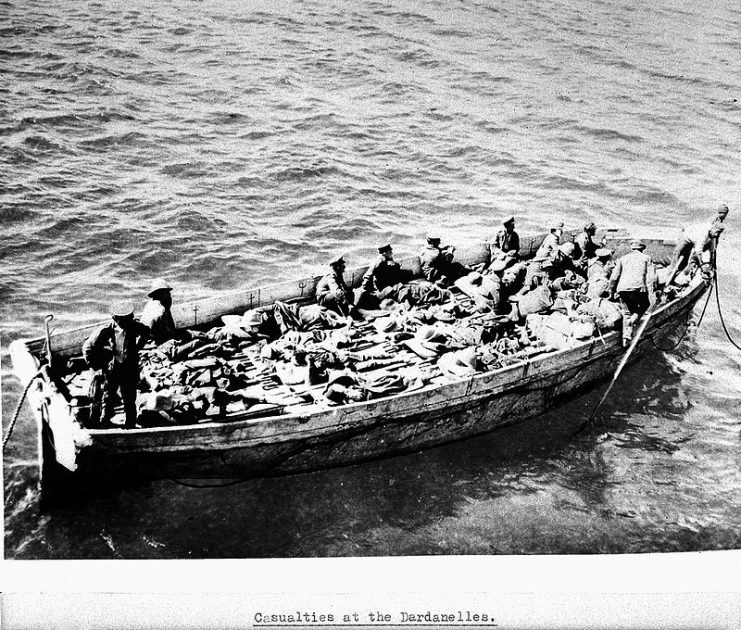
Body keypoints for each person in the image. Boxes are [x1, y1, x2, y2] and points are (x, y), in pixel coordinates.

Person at [83, 301, 150, 428]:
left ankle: (130, 424)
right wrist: (94, 367)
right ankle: (105, 420)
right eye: (122, 320)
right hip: (112, 369)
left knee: (129, 397)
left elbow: (146, 331)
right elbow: (87, 347)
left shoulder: (135, 326)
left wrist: (138, 347)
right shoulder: (105, 331)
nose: (126, 323)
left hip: (129, 368)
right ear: (115, 319)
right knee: (108, 396)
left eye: (128, 319)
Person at [608, 240, 657, 345]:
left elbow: (614, 277)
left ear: (632, 248)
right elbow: (651, 278)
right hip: (638, 289)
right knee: (645, 304)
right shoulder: (647, 259)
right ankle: (634, 319)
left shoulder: (622, 258)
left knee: (626, 312)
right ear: (642, 249)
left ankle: (626, 338)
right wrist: (651, 292)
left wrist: (611, 289)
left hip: (622, 289)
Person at [671, 204, 729, 278]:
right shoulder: (704, 234)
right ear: (712, 229)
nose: (716, 234)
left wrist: (712, 263)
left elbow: (712, 250)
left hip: (695, 238)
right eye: (716, 232)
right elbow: (699, 251)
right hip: (686, 236)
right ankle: (668, 279)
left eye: (718, 233)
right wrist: (702, 265)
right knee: (678, 257)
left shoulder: (713, 235)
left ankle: (684, 275)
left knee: (688, 261)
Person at [356, 244, 406, 308]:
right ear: (384, 253)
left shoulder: (388, 259)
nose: (392, 253)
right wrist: (366, 288)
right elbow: (368, 274)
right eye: (390, 251)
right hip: (381, 287)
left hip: (387, 284)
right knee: (396, 289)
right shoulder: (378, 261)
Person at [140, 278, 177, 345]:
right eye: (167, 292)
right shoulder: (161, 311)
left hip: (147, 340)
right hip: (156, 343)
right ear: (160, 293)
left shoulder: (149, 304)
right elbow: (170, 333)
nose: (170, 295)